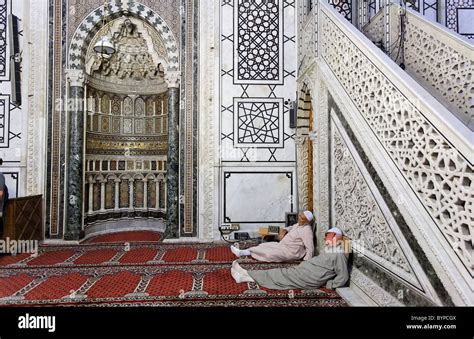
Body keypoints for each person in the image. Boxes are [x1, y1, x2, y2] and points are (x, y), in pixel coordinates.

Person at [230, 227, 349, 290]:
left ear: (335, 237)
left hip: (305, 272)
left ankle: (245, 275)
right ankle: (244, 268)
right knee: (266, 248)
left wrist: (330, 284)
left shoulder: (339, 254)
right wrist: (282, 230)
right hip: (304, 269)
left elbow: (343, 276)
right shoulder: (298, 225)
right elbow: (287, 228)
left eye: (327, 236)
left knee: (279, 275)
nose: (325, 239)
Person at [230, 211, 315, 262]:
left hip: (290, 252)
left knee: (269, 254)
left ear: (307, 221)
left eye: (302, 218)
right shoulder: (299, 224)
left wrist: (307, 261)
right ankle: (242, 252)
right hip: (282, 245)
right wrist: (284, 230)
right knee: (263, 245)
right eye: (300, 216)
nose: (299, 219)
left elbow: (310, 247)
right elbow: (291, 227)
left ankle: (244, 252)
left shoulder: (307, 230)